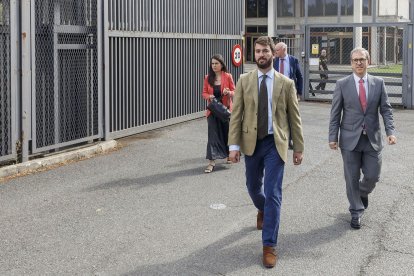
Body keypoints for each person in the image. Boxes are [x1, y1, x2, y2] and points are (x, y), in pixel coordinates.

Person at [228, 36, 304, 268]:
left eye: (265, 51)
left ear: (273, 53)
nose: (261, 55)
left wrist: (298, 147)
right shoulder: (244, 80)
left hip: (275, 143)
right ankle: (262, 209)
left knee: (273, 193)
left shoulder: (286, 83)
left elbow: (294, 117)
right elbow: (236, 115)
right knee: (253, 187)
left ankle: (269, 245)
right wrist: (233, 146)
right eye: (258, 51)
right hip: (252, 142)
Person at [328, 47, 397, 230]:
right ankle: (356, 211)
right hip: (350, 139)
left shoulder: (378, 83)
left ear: (368, 61)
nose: (359, 63)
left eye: (362, 59)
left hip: (372, 138)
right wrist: (332, 137)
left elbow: (386, 110)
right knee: (351, 177)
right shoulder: (342, 84)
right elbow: (335, 113)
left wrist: (390, 132)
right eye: (355, 60)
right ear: (351, 63)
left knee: (373, 176)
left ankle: (361, 193)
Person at [202, 54, 236, 173]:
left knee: (226, 134)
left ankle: (228, 155)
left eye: (216, 63)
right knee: (212, 136)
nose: (214, 66)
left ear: (221, 64)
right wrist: (209, 96)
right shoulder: (207, 77)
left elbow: (235, 91)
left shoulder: (228, 76)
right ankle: (211, 162)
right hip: (212, 111)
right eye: (212, 63)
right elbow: (204, 93)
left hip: (225, 110)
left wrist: (229, 92)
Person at [273, 42, 303, 149]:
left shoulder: (293, 60)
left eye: (277, 50)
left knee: (291, 116)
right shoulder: (274, 61)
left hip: (290, 93)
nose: (275, 52)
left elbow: (299, 76)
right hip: (276, 92)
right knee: (277, 115)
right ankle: (277, 138)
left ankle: (289, 139)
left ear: (283, 50)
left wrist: (299, 92)